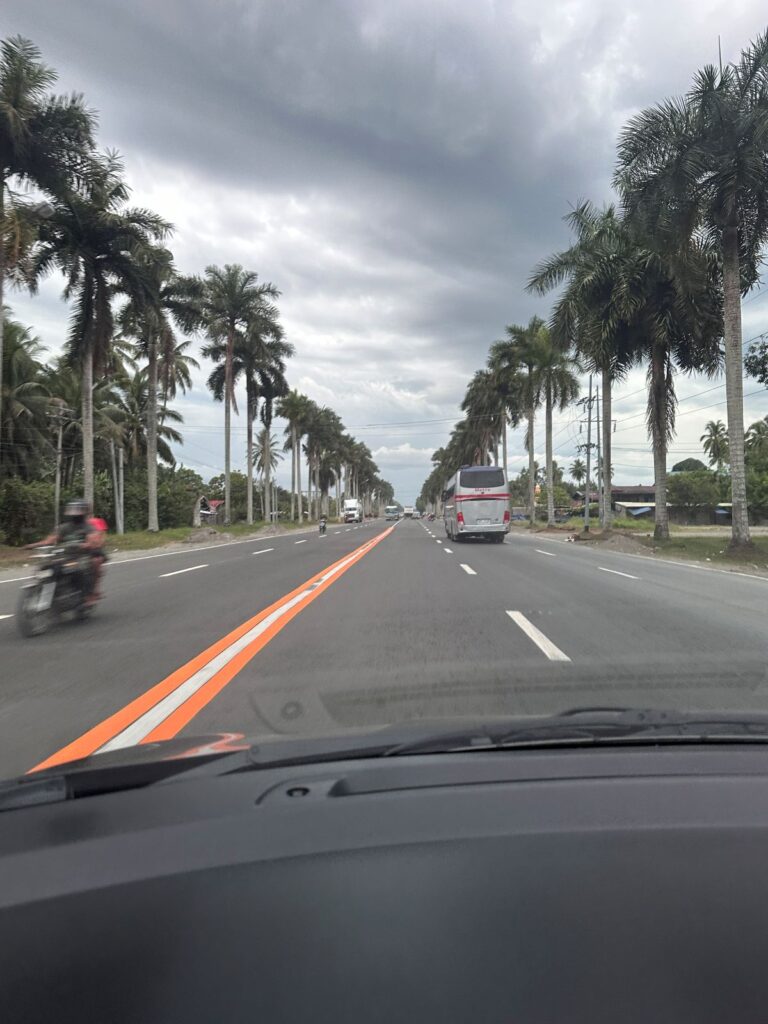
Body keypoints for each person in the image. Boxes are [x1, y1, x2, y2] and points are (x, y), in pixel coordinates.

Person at [30, 499, 104, 605]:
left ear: (84, 513)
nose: (75, 514)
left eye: (78, 511)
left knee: (87, 567)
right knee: (47, 566)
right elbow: (50, 540)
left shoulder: (89, 528)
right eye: (73, 510)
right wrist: (34, 545)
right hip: (64, 555)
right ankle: (48, 591)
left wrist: (84, 545)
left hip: (81, 556)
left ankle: (89, 593)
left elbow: (93, 541)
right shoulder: (64, 527)